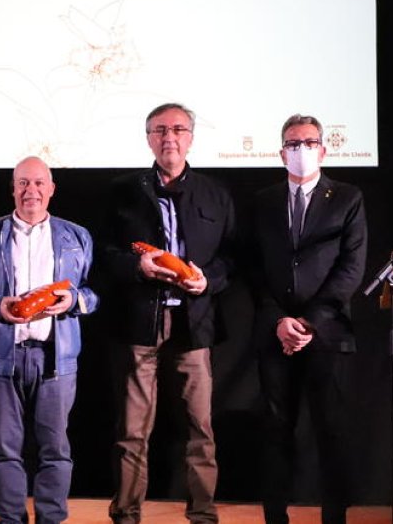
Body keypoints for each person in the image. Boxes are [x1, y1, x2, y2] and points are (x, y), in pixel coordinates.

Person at [104, 103, 236, 524]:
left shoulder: (215, 194)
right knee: (132, 431)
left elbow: (232, 258)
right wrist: (136, 267)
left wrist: (208, 281)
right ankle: (126, 514)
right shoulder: (122, 192)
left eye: (178, 129)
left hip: (194, 324)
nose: (169, 137)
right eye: (160, 130)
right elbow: (102, 256)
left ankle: (203, 514)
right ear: (148, 139)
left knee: (201, 429)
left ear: (191, 137)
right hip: (142, 322)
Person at [0, 156, 100, 524]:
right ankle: (10, 519)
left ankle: (50, 519)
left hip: (56, 359)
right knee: (6, 450)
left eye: (39, 183)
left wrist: (75, 300)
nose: (31, 191)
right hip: (3, 357)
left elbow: (92, 293)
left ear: (52, 189)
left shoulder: (76, 236)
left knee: (55, 449)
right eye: (23, 183)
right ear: (12, 188)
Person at [249, 114, 367, 524]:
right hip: (276, 334)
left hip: (327, 333)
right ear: (281, 152)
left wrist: (310, 323)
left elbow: (351, 269)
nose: (301, 150)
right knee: (275, 431)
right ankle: (275, 516)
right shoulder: (262, 201)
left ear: (324, 149)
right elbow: (255, 270)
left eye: (309, 142)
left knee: (330, 431)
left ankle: (334, 517)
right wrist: (280, 321)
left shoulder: (348, 197)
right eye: (293, 144)